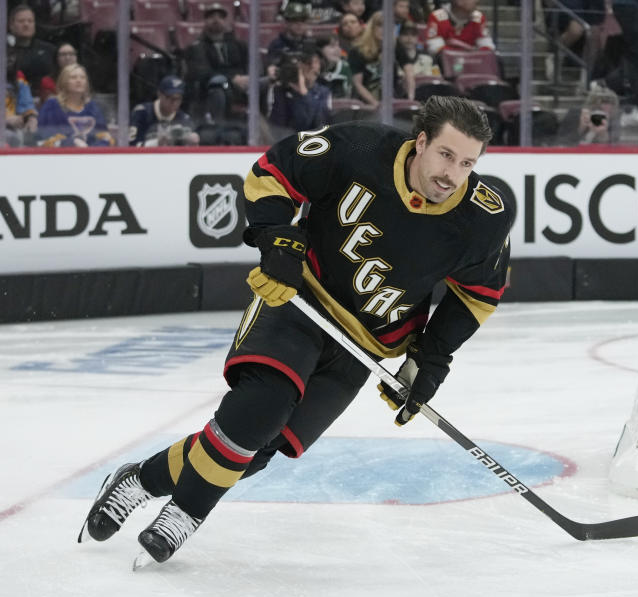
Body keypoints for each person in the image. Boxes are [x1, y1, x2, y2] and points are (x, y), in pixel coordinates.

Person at [77, 95, 512, 566]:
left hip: (364, 346)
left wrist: (431, 358)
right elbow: (272, 172)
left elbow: (475, 295)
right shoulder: (361, 147)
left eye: (467, 163)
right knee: (260, 407)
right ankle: (185, 513)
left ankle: (140, 480)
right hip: (299, 300)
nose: (452, 175)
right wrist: (277, 241)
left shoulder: (483, 218)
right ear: (421, 142)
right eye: (446, 155)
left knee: (262, 447)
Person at [185, 2, 249, 130]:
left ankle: (265, 130)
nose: (216, 20)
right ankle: (218, 130)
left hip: (242, 84)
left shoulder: (238, 44)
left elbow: (251, 63)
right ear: (205, 21)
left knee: (265, 83)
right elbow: (204, 72)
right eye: (211, 16)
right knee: (217, 84)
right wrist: (232, 78)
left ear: (226, 21)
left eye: (220, 16)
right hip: (212, 88)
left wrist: (248, 77)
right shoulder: (198, 46)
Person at [37, 63, 113, 147]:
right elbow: (43, 139)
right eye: (73, 77)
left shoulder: (91, 107)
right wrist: (71, 142)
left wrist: (93, 151)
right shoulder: (52, 105)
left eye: (82, 77)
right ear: (64, 81)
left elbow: (105, 137)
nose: (79, 80)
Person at [267, 46, 331, 132]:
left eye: (315, 62)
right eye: (307, 63)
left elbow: (320, 125)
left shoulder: (323, 92)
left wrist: (304, 94)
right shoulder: (280, 90)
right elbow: (277, 126)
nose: (311, 67)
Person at [129, 75, 200, 146]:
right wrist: (156, 143)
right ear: (159, 95)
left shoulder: (184, 119)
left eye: (178, 99)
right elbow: (130, 146)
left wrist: (192, 142)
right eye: (170, 97)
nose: (174, 103)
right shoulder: (142, 113)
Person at [8, 4, 56, 103]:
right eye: (21, 21)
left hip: (48, 100)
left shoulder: (49, 50)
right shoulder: (4, 53)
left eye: (30, 21)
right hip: (15, 101)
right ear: (11, 25)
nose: (26, 24)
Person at [424, 0, 496, 58]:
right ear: (458, 1)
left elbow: (488, 47)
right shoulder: (437, 17)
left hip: (472, 65)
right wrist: (471, 52)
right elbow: (435, 49)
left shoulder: (479, 18)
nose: (477, 1)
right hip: (445, 67)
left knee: (496, 60)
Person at [317, 33, 354, 98]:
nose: (338, 50)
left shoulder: (345, 67)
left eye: (339, 46)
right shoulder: (312, 68)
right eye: (332, 46)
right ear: (320, 50)